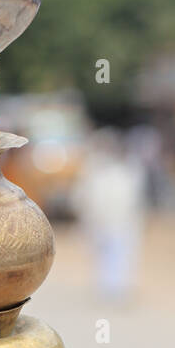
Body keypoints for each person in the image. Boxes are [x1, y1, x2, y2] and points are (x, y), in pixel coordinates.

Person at [73, 129, 146, 303]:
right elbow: (83, 196)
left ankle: (118, 287)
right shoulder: (93, 170)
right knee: (102, 254)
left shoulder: (128, 171)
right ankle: (106, 287)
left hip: (121, 221)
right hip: (99, 221)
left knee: (121, 253)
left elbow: (133, 198)